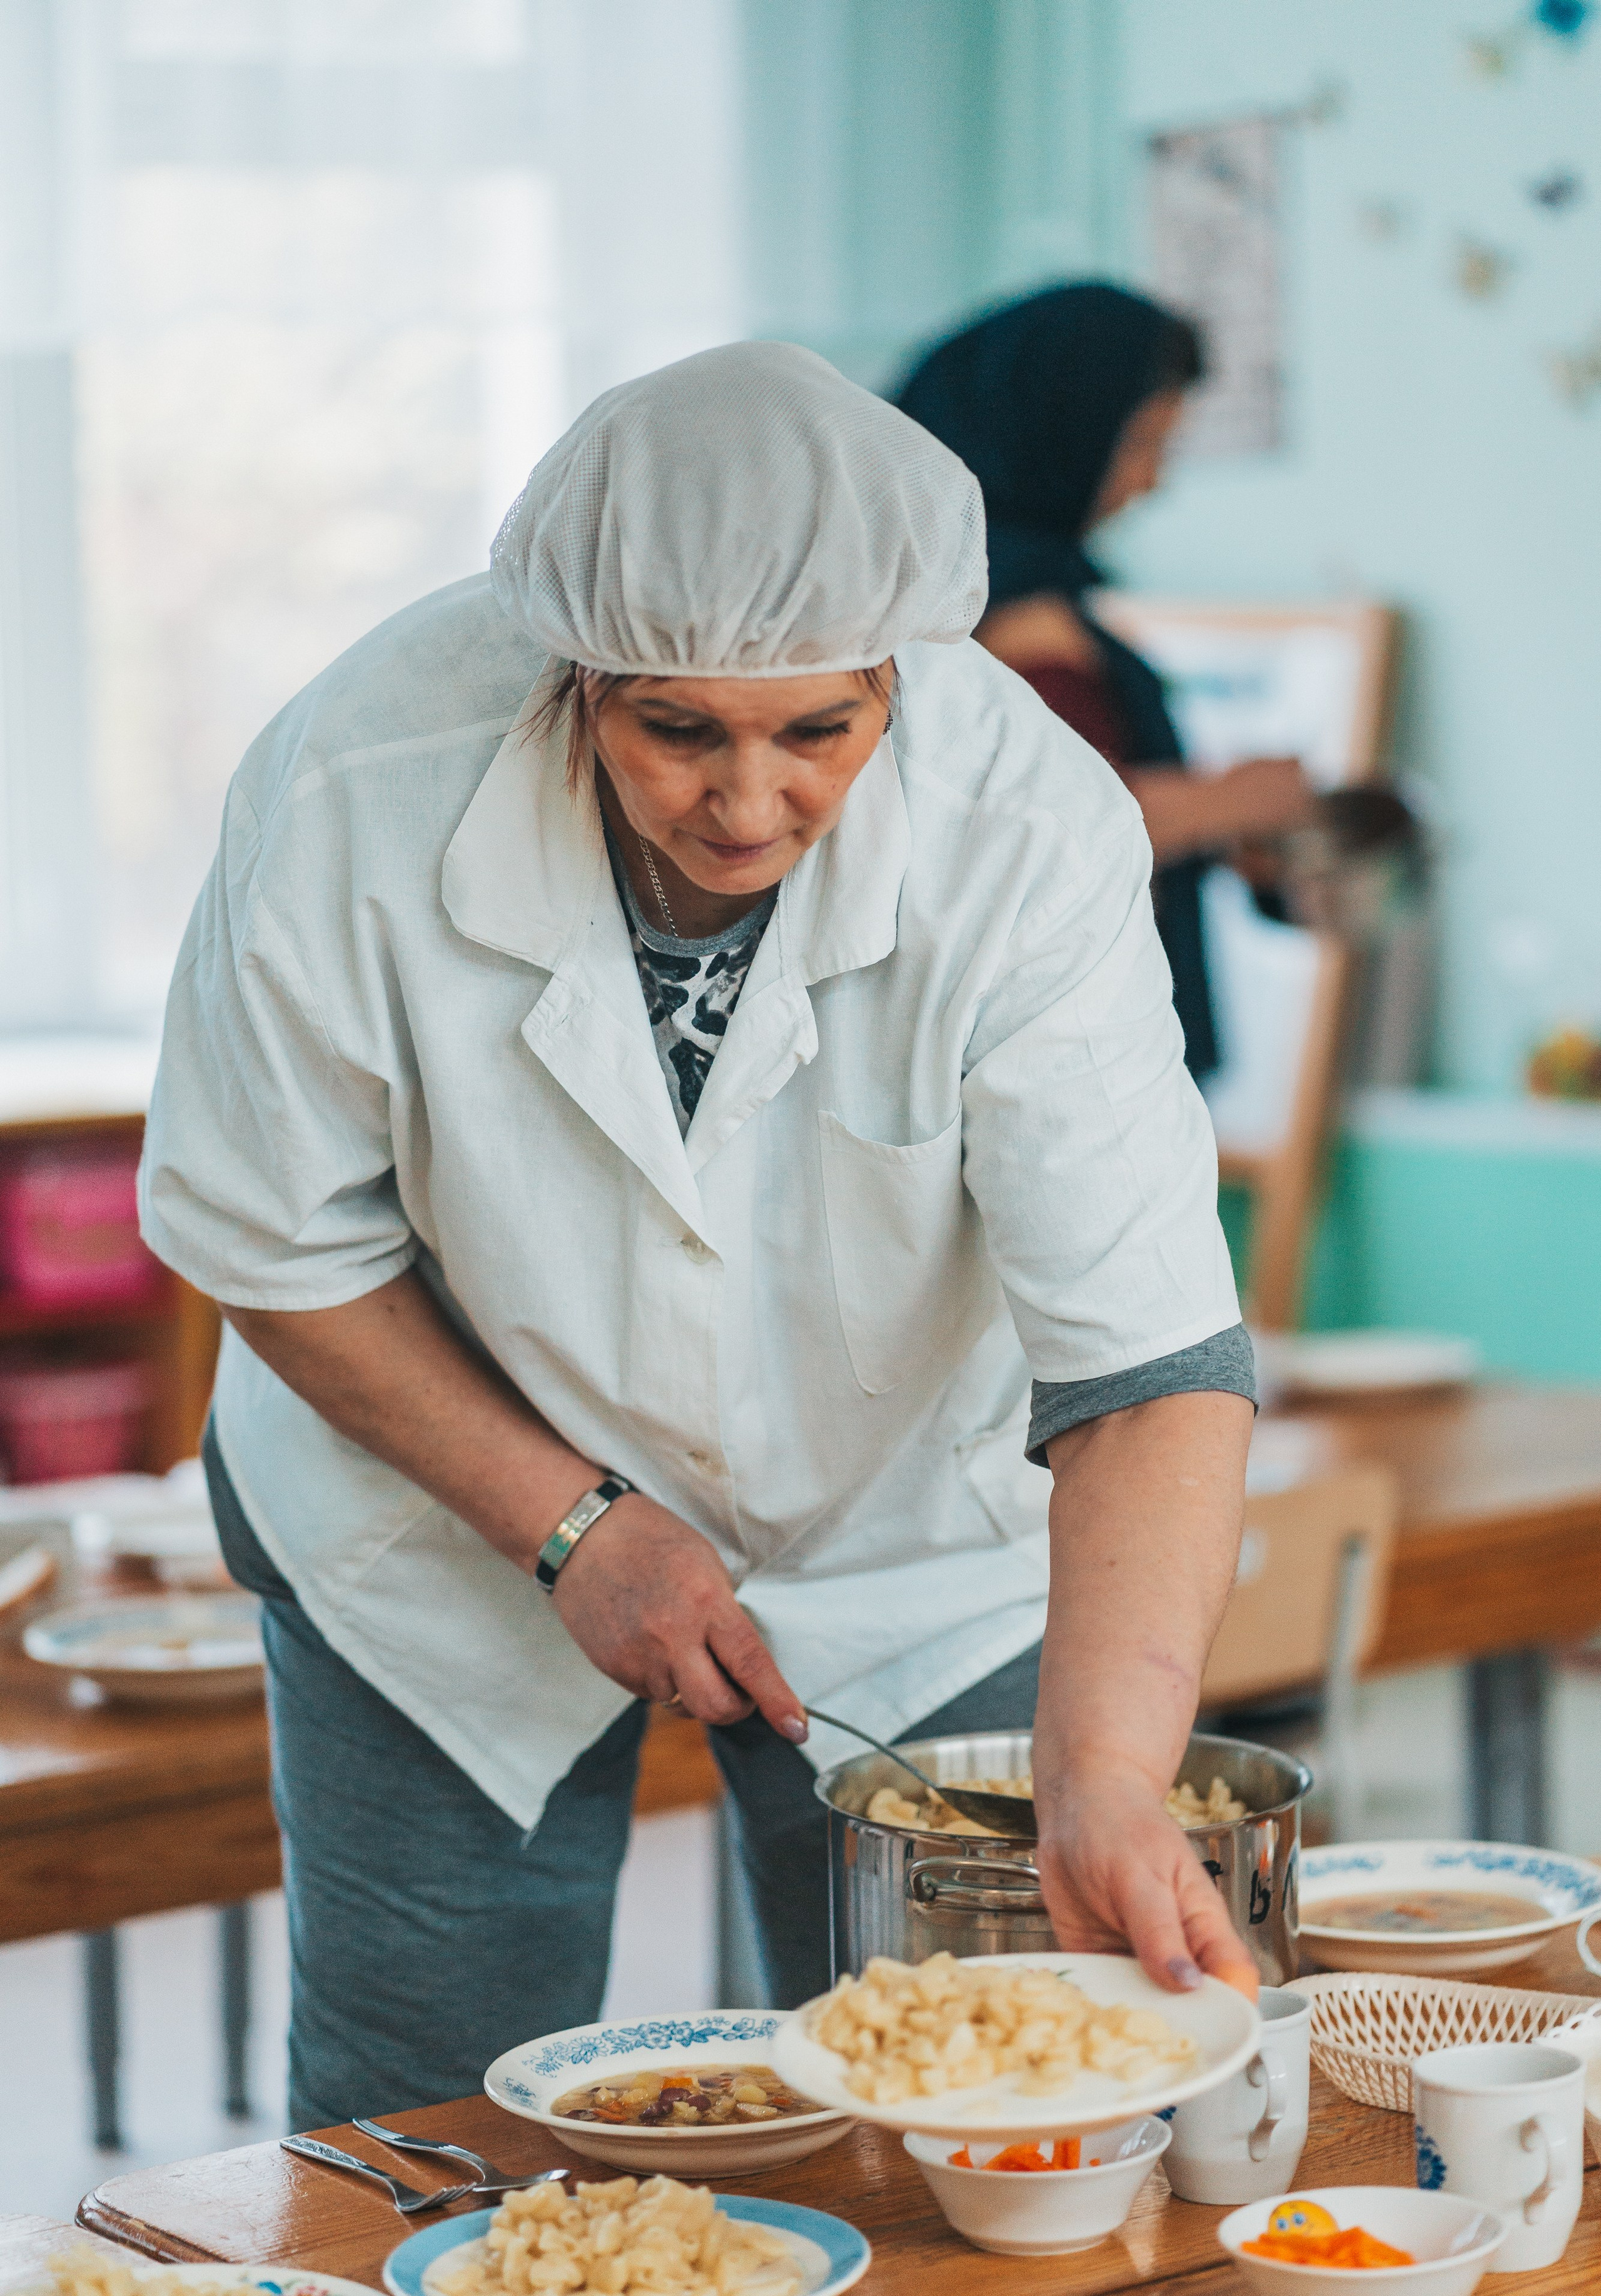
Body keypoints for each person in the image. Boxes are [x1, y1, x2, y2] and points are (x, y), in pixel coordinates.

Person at [140, 342, 1258, 2133]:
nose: (749, 806)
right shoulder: (358, 783)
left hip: (915, 1544)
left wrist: (1111, 1770)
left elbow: (1148, 1365)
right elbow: (271, 1237)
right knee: (428, 2131)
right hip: (431, 1536)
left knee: (965, 2111)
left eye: (821, 732)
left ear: (897, 673)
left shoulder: (1026, 829)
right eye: (679, 733)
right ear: (575, 676)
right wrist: (569, 1520)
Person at [894, 281, 1315, 1076]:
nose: (1152, 481)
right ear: (1062, 434)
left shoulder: (964, 593)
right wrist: (1231, 803)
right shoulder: (1004, 618)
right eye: (1145, 442)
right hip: (1064, 1063)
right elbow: (1030, 835)